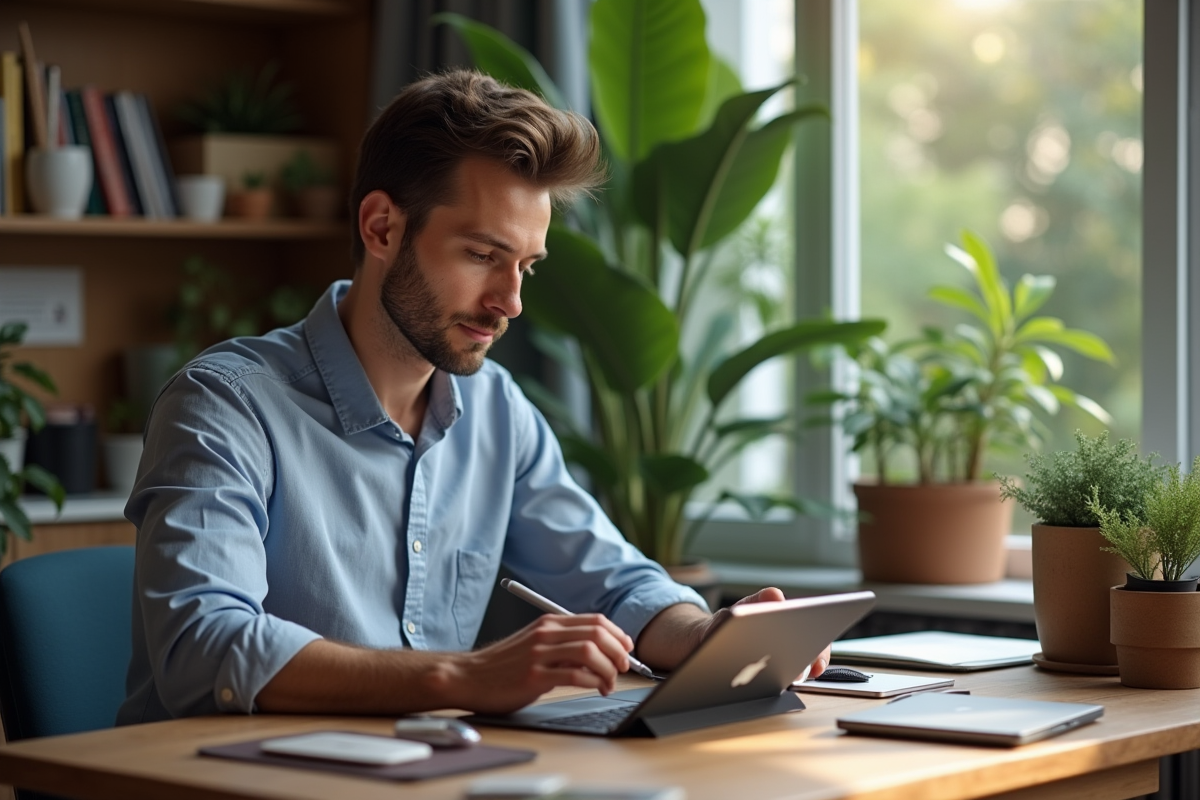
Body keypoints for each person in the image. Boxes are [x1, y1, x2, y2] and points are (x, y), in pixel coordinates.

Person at [118, 69, 829, 725]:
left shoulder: (495, 410)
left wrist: (707, 635)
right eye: (483, 256)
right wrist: (460, 676)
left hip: (416, 775)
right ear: (382, 228)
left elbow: (612, 584)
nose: (511, 301)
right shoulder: (224, 405)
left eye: (526, 265)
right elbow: (203, 646)